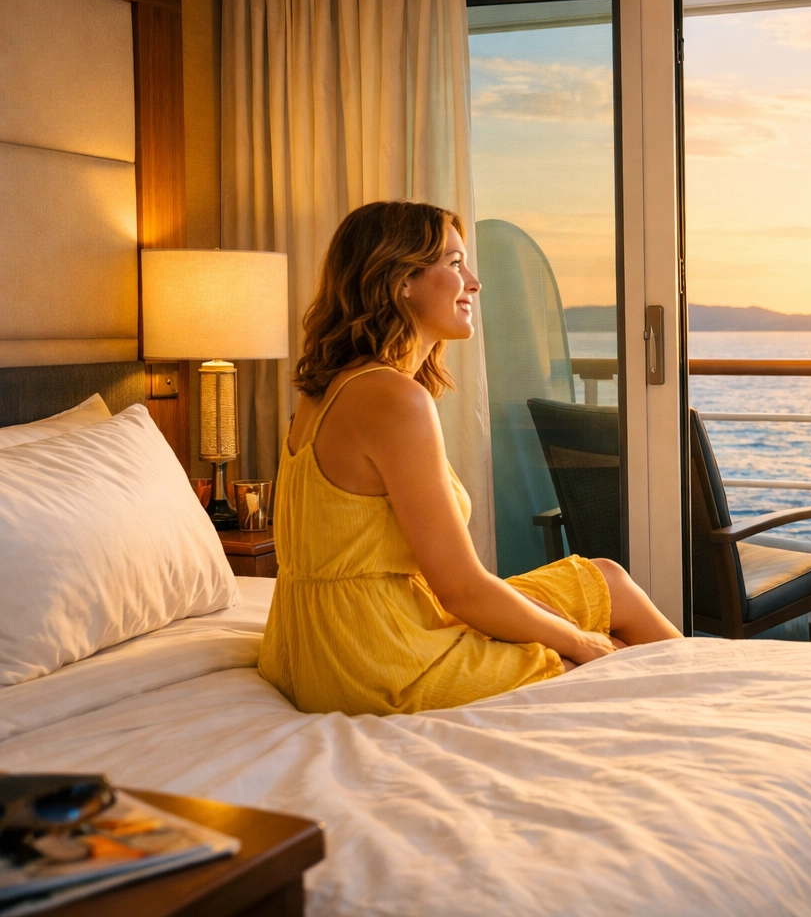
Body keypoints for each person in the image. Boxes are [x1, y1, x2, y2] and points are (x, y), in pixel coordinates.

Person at [258, 200, 681, 716]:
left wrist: (565, 629)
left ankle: (702, 692)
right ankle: (708, 706)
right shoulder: (391, 399)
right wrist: (577, 643)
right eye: (456, 264)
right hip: (376, 658)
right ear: (401, 280)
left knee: (606, 580)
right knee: (586, 658)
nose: (474, 283)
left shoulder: (331, 389)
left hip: (317, 644)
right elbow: (460, 590)